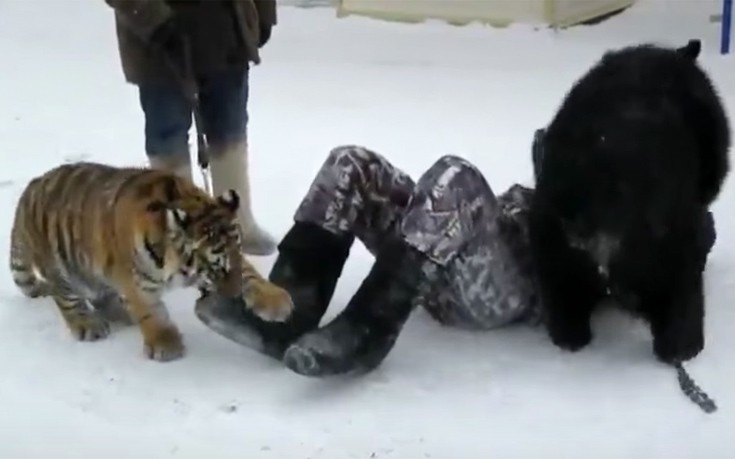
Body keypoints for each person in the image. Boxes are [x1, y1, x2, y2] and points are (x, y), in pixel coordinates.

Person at [196, 136, 717, 377]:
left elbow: (639, 279)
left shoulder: (634, 232)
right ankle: (287, 309)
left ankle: (369, 330)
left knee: (456, 176)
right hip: (435, 259)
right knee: (350, 162)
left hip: (504, 290)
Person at [102, 0, 277, 256]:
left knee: (230, 132)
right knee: (168, 139)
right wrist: (154, 20)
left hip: (226, 31)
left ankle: (236, 222)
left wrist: (263, 13)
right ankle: (177, 233)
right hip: (158, 42)